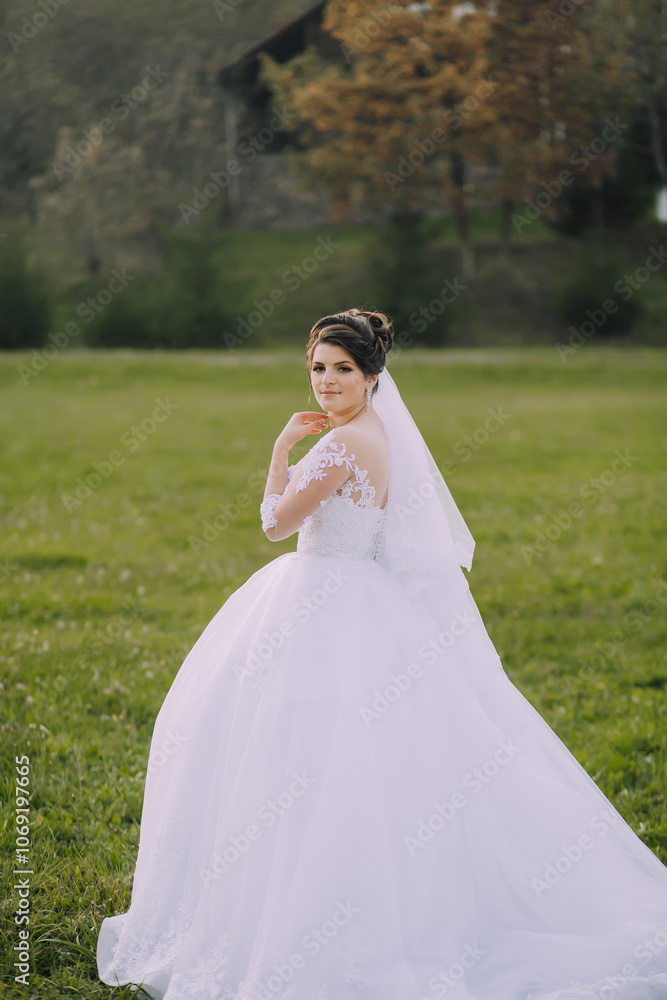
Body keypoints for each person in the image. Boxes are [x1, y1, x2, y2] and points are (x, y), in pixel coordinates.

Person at [97, 308, 667, 1000]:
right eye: (317, 368)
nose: (327, 382)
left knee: (303, 756)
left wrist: (279, 451)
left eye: (342, 369)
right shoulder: (376, 435)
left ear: (371, 375)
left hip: (323, 598)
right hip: (364, 597)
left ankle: (315, 909)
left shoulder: (339, 447)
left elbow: (276, 525)